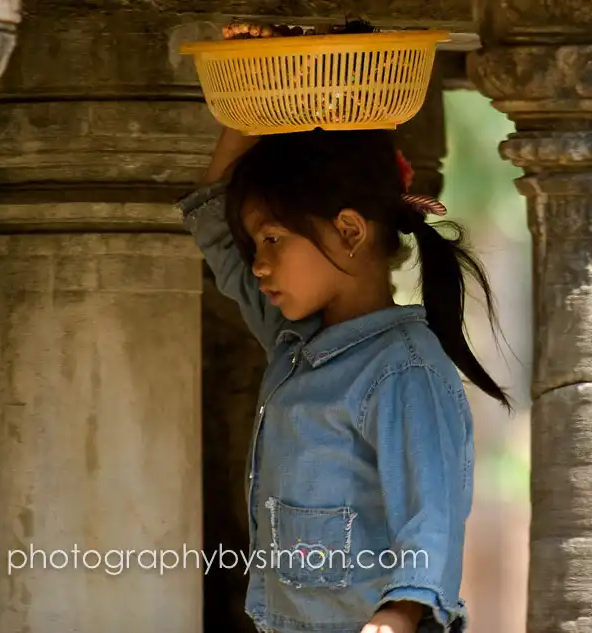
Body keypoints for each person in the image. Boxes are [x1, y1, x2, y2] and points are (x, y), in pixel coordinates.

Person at [176, 25, 511, 633]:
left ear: (350, 231)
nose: (258, 263)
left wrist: (400, 615)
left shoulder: (404, 368)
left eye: (274, 239)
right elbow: (214, 220)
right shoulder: (293, 342)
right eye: (257, 244)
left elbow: (431, 512)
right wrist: (260, 90)